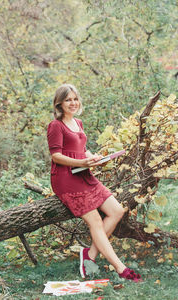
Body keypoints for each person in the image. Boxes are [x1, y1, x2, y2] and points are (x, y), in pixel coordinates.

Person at [47, 84, 142, 282]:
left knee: (117, 211)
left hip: (83, 174)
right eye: (68, 100)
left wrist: (94, 158)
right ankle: (121, 268)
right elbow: (56, 156)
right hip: (66, 178)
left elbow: (81, 148)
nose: (73, 103)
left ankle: (89, 255)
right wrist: (81, 161)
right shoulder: (55, 125)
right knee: (96, 221)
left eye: (75, 99)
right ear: (60, 103)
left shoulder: (78, 123)